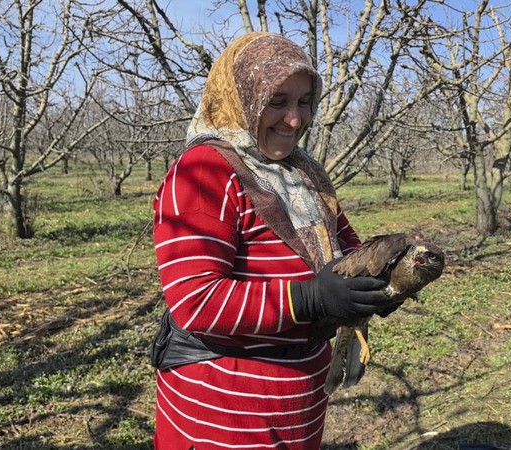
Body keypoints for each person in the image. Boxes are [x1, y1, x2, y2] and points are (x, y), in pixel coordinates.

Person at [151, 32, 392, 449]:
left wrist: (383, 277)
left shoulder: (303, 174)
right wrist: (311, 299)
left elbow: (347, 248)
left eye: (303, 102)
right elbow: (197, 302)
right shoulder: (205, 171)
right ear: (241, 96)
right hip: (225, 407)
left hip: (300, 396)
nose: (294, 119)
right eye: (277, 101)